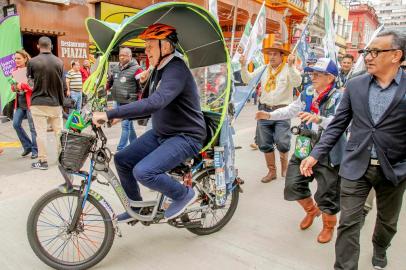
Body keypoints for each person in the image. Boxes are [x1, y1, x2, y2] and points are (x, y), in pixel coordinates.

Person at [300, 30, 406, 270]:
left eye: (376, 51)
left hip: (394, 170)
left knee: (388, 222)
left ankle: (380, 248)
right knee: (348, 223)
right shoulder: (356, 85)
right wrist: (315, 154)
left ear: (396, 55)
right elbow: (337, 124)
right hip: (356, 165)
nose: (368, 56)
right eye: (367, 51)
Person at [92, 24, 206, 222]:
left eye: (150, 45)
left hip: (185, 136)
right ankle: (136, 208)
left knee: (144, 171)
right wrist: (121, 116)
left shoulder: (176, 69)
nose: (146, 51)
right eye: (145, 46)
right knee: (122, 159)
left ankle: (183, 194)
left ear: (167, 47)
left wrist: (110, 113)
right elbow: (149, 105)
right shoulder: (158, 70)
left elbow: (155, 102)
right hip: (163, 133)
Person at [256, 58, 345, 243]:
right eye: (312, 73)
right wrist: (270, 115)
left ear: (330, 78)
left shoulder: (340, 97)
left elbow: (343, 123)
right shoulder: (308, 92)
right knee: (293, 184)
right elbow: (292, 110)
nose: (312, 77)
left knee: (328, 192)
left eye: (317, 74)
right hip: (305, 144)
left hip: (328, 148)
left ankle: (329, 226)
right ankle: (312, 211)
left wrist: (318, 119)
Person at [240, 41, 301, 182]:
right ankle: (272, 171)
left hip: (282, 111)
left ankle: (284, 168)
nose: (272, 57)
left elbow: (297, 82)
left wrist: (292, 66)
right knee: (264, 143)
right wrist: (243, 65)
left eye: (275, 54)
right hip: (264, 110)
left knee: (282, 142)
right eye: (270, 54)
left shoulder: (288, 68)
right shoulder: (264, 68)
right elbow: (247, 79)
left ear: (282, 56)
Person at [28, 36, 65, 170]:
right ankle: (62, 159)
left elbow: (30, 83)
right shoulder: (59, 62)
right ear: (51, 46)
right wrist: (62, 104)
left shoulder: (32, 62)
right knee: (59, 132)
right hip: (55, 103)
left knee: (41, 133)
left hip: (38, 102)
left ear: (38, 46)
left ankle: (43, 161)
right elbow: (62, 85)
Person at [107, 47, 143, 152]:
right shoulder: (116, 68)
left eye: (124, 55)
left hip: (129, 102)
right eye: (120, 55)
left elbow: (142, 85)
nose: (121, 57)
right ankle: (135, 145)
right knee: (129, 126)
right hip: (117, 100)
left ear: (130, 56)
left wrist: (139, 100)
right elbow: (111, 80)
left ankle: (120, 149)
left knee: (125, 125)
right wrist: (107, 87)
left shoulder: (137, 69)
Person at [11, 50, 38, 159]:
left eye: (19, 58)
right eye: (15, 58)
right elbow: (13, 87)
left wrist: (23, 86)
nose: (16, 60)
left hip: (30, 103)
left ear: (25, 58)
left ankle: (35, 150)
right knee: (16, 124)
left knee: (33, 128)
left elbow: (34, 87)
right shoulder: (14, 71)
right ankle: (27, 146)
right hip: (20, 103)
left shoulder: (31, 71)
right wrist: (14, 87)